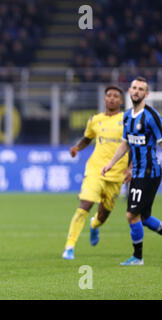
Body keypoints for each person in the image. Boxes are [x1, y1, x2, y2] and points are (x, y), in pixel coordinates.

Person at [62, 85, 131, 260]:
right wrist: (77, 148)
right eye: (109, 95)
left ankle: (94, 225)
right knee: (84, 205)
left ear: (121, 101)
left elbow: (134, 145)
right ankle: (69, 247)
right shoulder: (95, 120)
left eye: (116, 96)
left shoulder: (127, 120)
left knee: (103, 215)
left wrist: (130, 168)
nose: (112, 98)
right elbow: (88, 137)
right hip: (95, 170)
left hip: (117, 175)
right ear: (104, 99)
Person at [102, 77, 162, 266]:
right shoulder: (127, 116)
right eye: (134, 88)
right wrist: (111, 163)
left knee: (131, 215)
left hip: (149, 172)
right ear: (129, 90)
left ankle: (137, 257)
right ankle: (137, 257)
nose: (137, 91)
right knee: (143, 218)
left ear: (147, 94)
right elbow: (126, 143)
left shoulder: (152, 116)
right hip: (136, 172)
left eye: (141, 89)